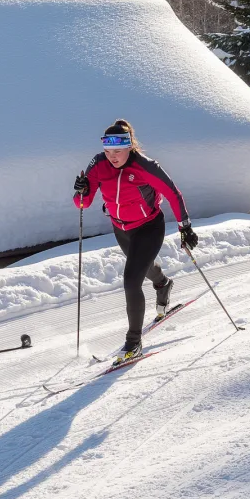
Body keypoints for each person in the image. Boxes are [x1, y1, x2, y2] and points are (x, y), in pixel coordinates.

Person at [73, 119, 195, 360]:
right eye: (108, 151)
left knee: (131, 281)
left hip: (149, 227)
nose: (112, 157)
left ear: (130, 147)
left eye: (118, 151)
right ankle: (163, 284)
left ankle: (133, 342)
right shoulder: (98, 164)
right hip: (121, 229)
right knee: (144, 268)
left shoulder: (146, 166)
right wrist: (81, 190)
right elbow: (82, 203)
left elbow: (173, 193)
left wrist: (185, 227)